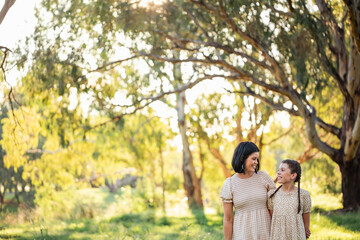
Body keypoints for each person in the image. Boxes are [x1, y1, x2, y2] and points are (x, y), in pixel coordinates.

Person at [220, 141, 276, 240]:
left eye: (257, 159)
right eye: (253, 159)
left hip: (266, 234)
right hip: (243, 235)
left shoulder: (263, 177)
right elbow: (228, 219)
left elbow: (273, 210)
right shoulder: (230, 183)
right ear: (242, 158)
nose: (256, 162)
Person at [267, 159, 312, 240]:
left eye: (282, 170)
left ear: (293, 175)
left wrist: (306, 231)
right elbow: (272, 218)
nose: (278, 172)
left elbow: (306, 223)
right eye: (278, 170)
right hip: (278, 237)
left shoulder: (304, 195)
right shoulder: (271, 195)